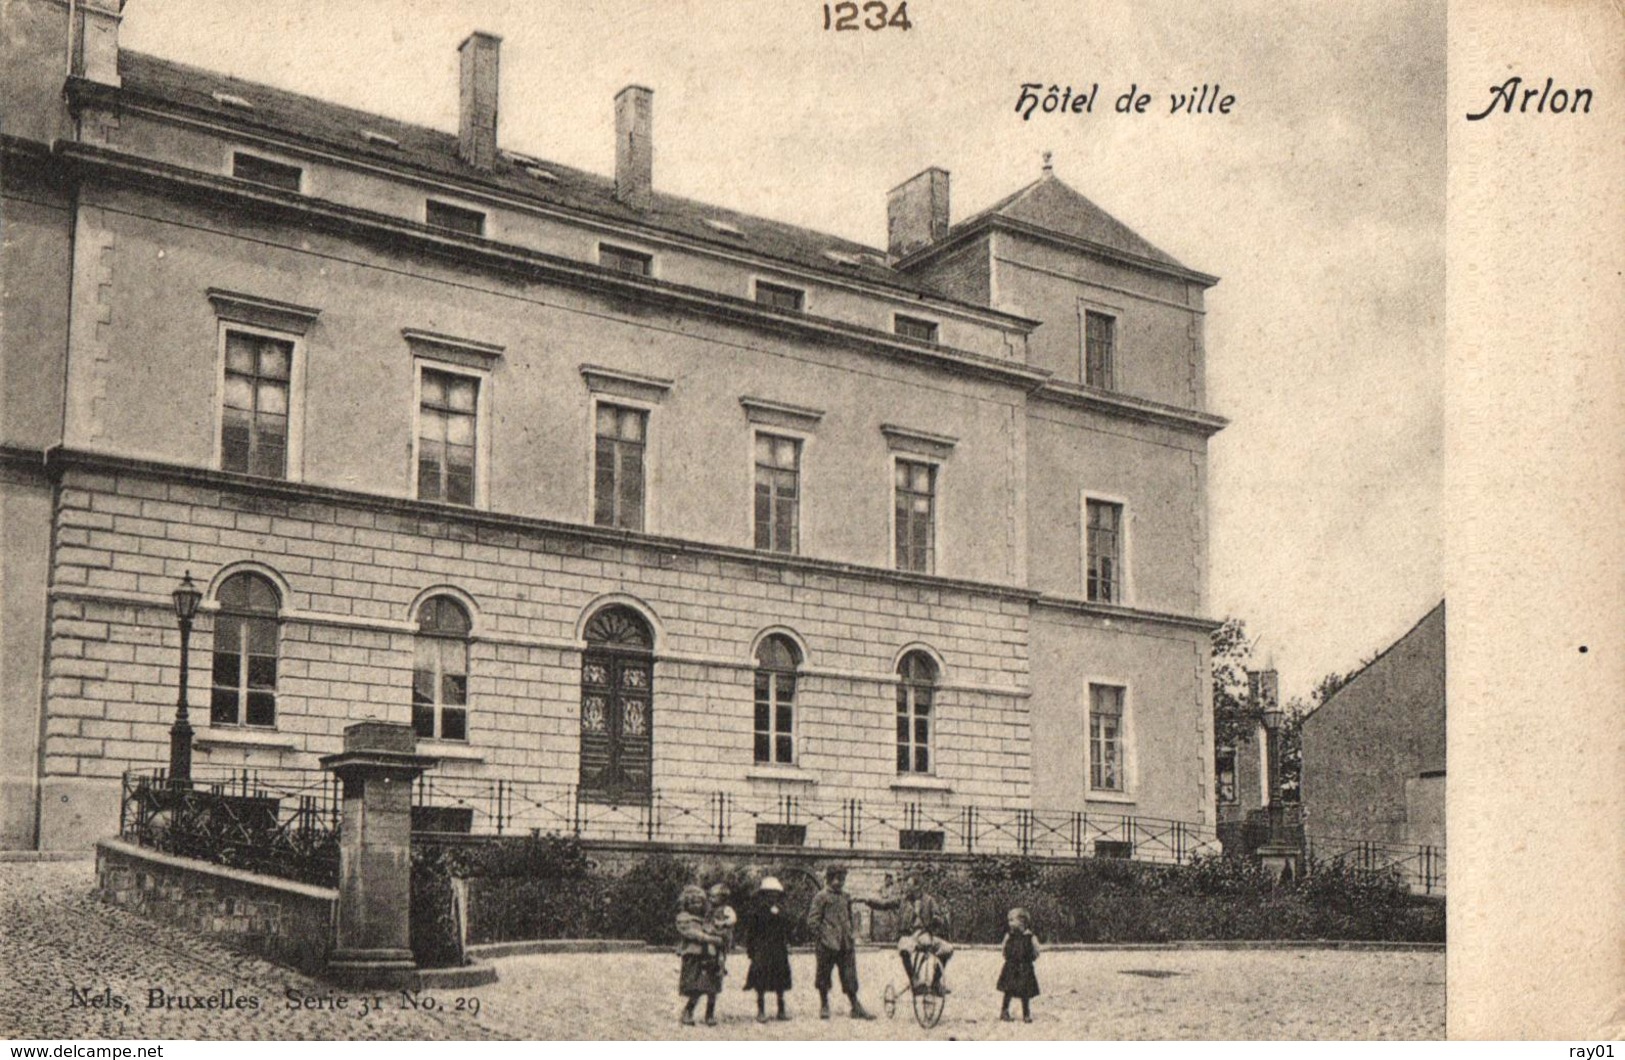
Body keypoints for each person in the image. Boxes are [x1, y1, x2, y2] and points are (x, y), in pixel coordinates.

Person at [805, 865, 875, 1020]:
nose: (840, 882)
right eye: (837, 878)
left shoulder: (845, 897)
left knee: (849, 976)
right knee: (823, 975)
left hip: (845, 944)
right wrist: (823, 938)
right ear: (830, 879)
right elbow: (812, 921)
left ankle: (855, 1006)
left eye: (842, 878)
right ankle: (824, 1005)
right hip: (827, 944)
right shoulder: (821, 897)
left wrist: (850, 934)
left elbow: (849, 917)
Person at [868, 873, 954, 995]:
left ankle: (935, 982)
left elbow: (938, 916)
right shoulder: (903, 900)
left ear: (917, 886)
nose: (906, 887)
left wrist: (936, 920)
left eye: (909, 885)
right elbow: (884, 904)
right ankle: (914, 980)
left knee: (948, 949)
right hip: (909, 936)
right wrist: (868, 901)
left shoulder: (929, 901)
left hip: (926, 935)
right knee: (904, 948)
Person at [742, 876, 793, 1022]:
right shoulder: (757, 912)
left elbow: (786, 929)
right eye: (769, 893)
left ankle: (781, 1010)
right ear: (763, 894)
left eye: (775, 894)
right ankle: (761, 1010)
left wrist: (787, 942)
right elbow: (751, 932)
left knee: (780, 980)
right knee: (760, 980)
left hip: (778, 949)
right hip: (762, 949)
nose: (772, 896)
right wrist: (751, 950)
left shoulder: (781, 911)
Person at [675, 884, 726, 1026]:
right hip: (694, 956)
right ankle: (688, 1012)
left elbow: (715, 929)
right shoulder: (684, 918)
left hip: (709, 956)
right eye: (692, 902)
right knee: (696, 987)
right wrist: (711, 939)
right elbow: (693, 934)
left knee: (711, 986)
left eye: (698, 902)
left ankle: (709, 1014)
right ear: (686, 903)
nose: (696, 905)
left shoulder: (706, 918)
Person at [996, 906, 1041, 1023]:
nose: (1009, 923)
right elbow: (1003, 949)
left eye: (1012, 920)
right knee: (1008, 991)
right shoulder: (1009, 936)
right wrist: (1008, 958)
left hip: (1025, 968)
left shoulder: (1030, 937)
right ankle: (1004, 1011)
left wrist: (1030, 959)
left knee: (1025, 993)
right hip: (1011, 967)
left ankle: (1026, 1013)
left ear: (1022, 922)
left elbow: (1036, 951)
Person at [705, 881, 738, 980]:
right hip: (713, 933)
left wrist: (723, 923)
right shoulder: (711, 909)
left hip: (722, 934)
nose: (711, 899)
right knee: (711, 950)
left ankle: (721, 968)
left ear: (722, 898)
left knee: (720, 952)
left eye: (714, 897)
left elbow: (733, 919)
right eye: (710, 897)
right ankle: (713, 966)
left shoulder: (726, 909)